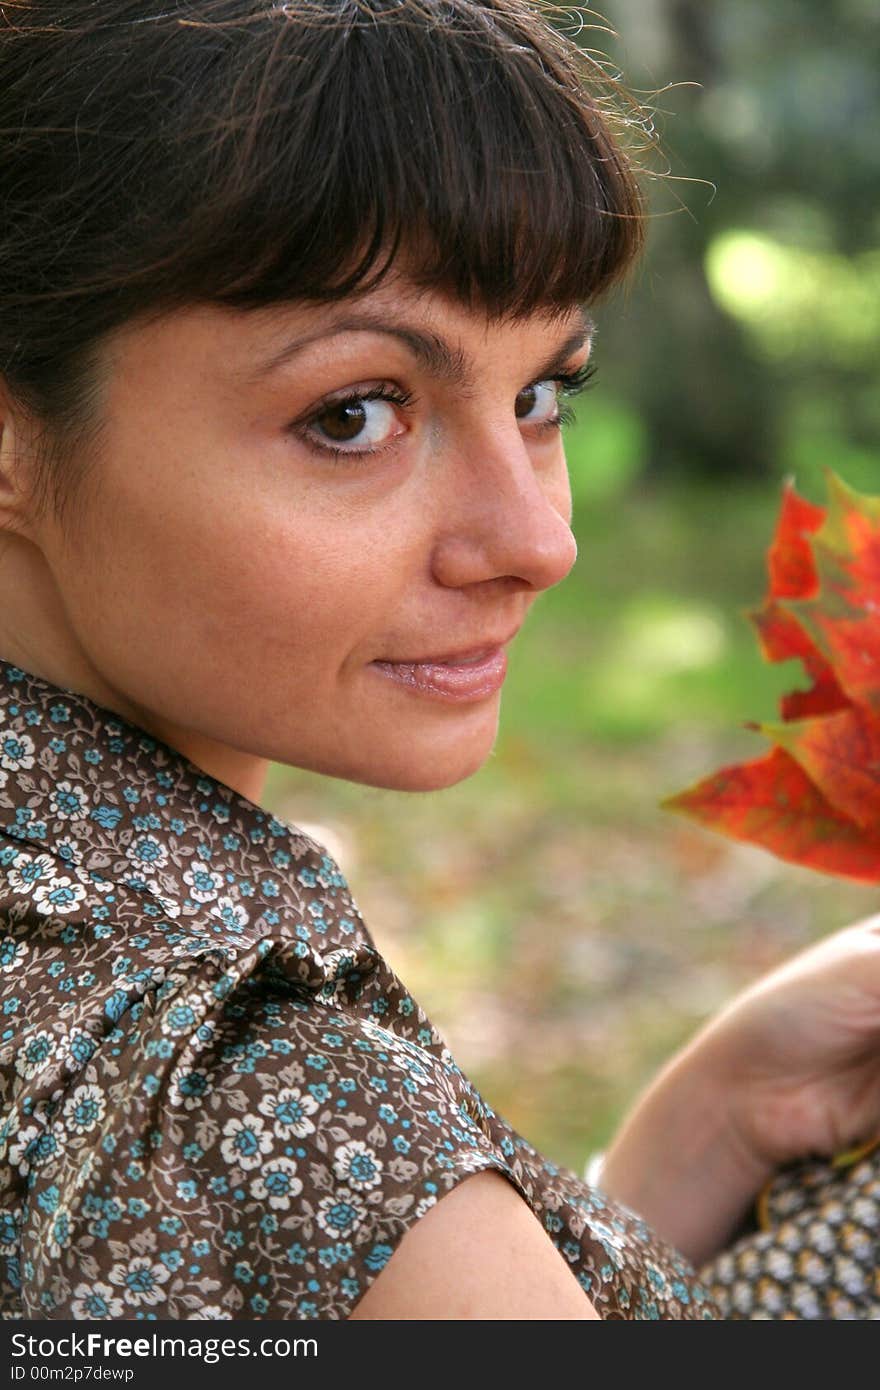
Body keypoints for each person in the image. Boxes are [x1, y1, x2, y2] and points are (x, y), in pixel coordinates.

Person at [1, 0, 879, 1323]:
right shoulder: (276, 1123)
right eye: (354, 414)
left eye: (540, 396)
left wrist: (701, 1131)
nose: (539, 540)